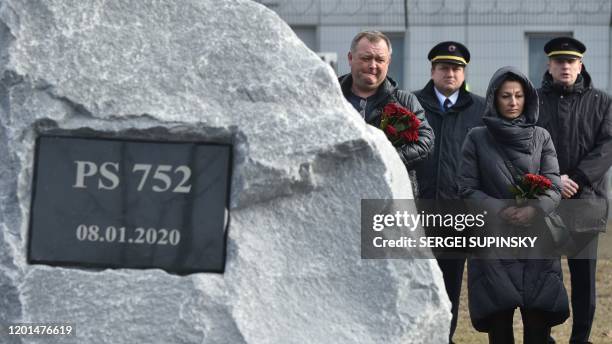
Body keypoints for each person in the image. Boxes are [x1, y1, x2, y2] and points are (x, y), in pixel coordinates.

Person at [458, 66, 569, 343]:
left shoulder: (541, 136)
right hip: (493, 241)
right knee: (499, 330)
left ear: (527, 98)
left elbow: (554, 186)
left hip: (537, 242)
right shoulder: (477, 137)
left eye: (519, 95)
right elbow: (467, 188)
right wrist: (499, 210)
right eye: (506, 96)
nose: (513, 102)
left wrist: (534, 208)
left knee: (537, 329)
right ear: (495, 98)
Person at [536, 36, 612, 344]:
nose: (565, 66)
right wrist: (554, 180)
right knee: (544, 277)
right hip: (545, 202)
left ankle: (580, 339)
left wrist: (577, 178)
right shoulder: (534, 100)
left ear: (580, 65)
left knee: (584, 281)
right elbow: (527, 143)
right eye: (559, 61)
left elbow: (607, 146)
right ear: (550, 65)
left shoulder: (602, 102)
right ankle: (544, 336)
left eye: (571, 61)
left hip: (585, 202)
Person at [413, 41, 485, 344]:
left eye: (456, 68)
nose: (450, 73)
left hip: (458, 213)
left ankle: (445, 338)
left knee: (451, 282)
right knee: (416, 281)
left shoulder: (480, 109)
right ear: (432, 70)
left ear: (464, 72)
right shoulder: (411, 103)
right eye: (444, 67)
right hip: (416, 210)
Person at [338, 31, 434, 175]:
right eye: (366, 58)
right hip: (337, 190)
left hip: (389, 193)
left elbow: (425, 142)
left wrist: (385, 160)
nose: (373, 65)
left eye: (380, 60)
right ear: (350, 58)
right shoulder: (330, 97)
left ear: (388, 62)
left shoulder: (405, 101)